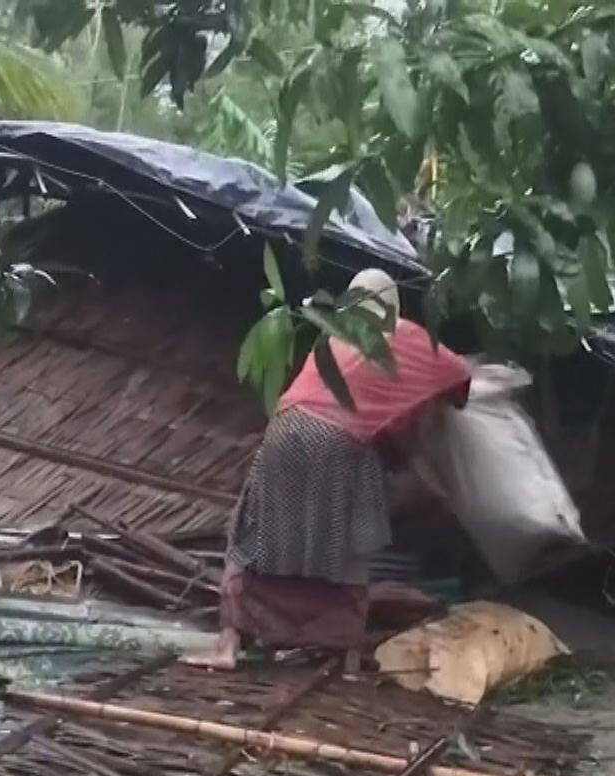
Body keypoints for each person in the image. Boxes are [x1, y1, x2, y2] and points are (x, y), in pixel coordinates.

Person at [188, 269, 473, 671]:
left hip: (285, 430)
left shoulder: (334, 339)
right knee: (348, 549)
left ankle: (227, 647)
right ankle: (349, 659)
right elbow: (459, 372)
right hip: (340, 442)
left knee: (251, 540)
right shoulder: (405, 335)